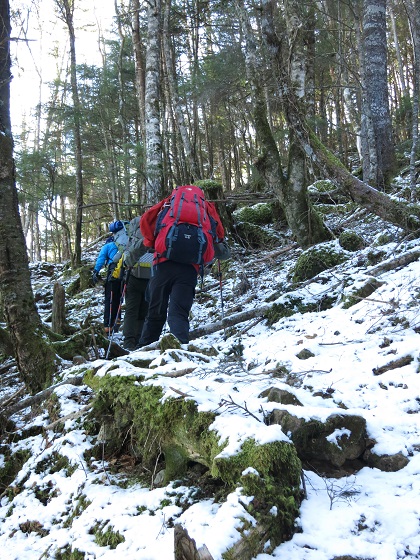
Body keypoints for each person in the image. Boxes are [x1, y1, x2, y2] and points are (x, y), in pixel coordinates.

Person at [137, 185, 226, 346]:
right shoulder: (206, 207)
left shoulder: (168, 204)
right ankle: (179, 353)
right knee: (179, 313)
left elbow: (146, 221)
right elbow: (219, 234)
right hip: (190, 268)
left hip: (162, 264)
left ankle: (145, 353)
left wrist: (152, 243)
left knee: (155, 313)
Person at [119, 216, 152, 351]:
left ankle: (128, 342)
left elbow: (126, 254)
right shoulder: (154, 234)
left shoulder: (133, 236)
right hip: (150, 277)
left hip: (133, 275)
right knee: (145, 310)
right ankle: (140, 340)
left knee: (131, 311)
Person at [91, 220, 128, 335]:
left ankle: (108, 325)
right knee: (120, 298)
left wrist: (96, 271)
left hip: (113, 271)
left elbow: (101, 259)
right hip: (127, 270)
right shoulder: (128, 242)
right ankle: (117, 322)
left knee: (110, 299)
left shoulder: (108, 246)